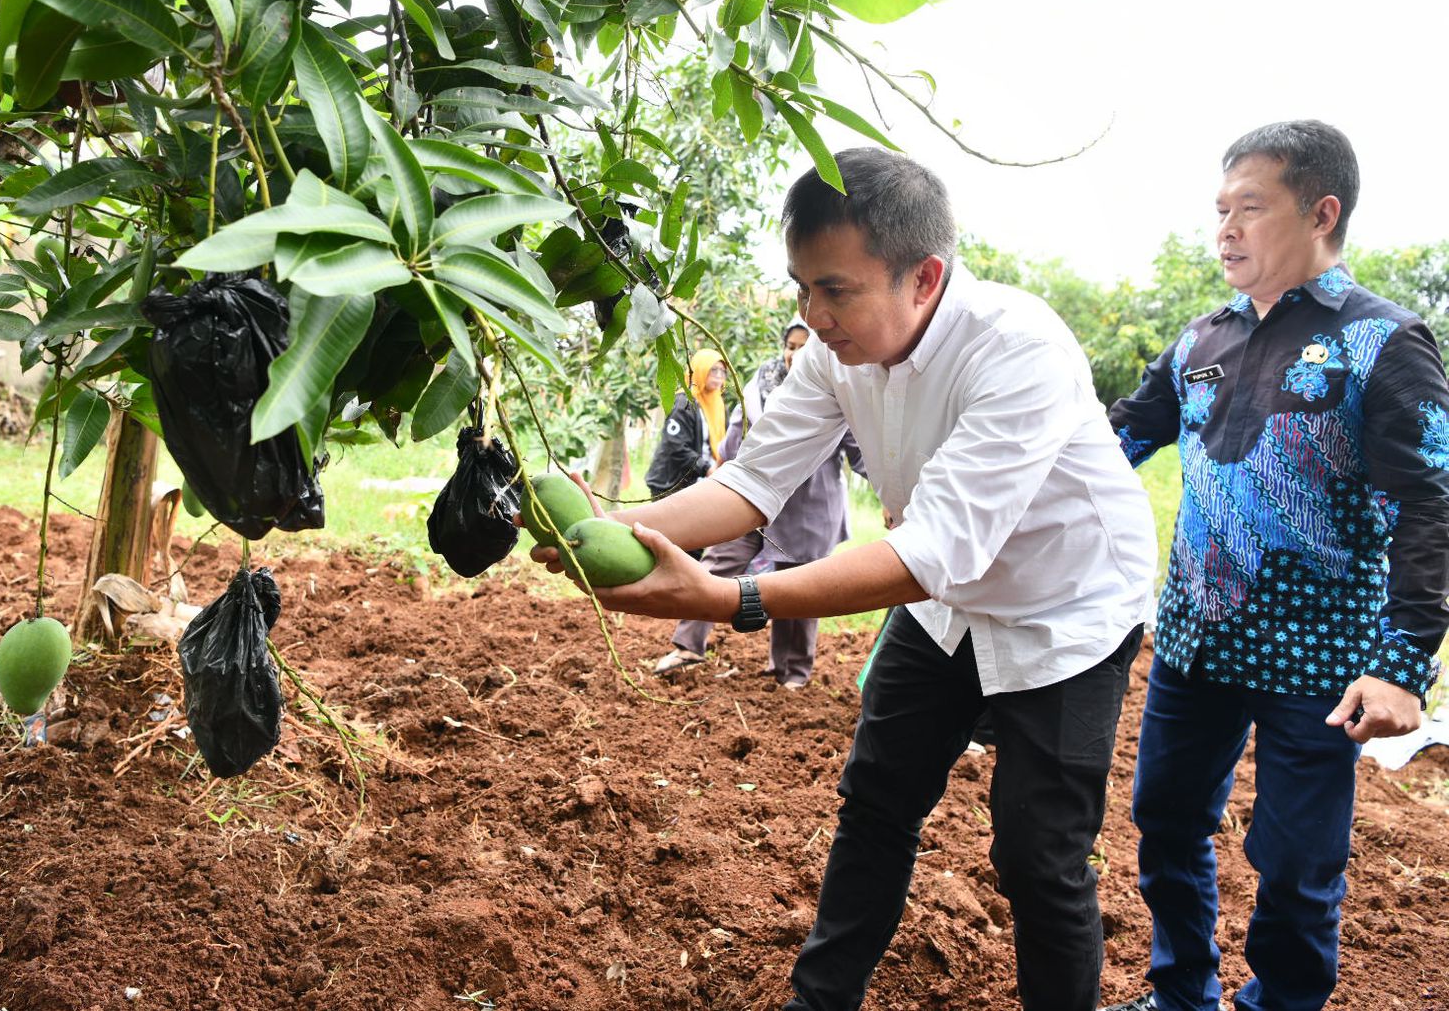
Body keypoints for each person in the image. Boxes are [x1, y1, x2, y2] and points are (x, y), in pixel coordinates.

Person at [527, 148, 1158, 1011]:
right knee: (876, 803)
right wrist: (602, 530)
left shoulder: (1018, 350)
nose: (811, 314)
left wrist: (731, 599)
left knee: (1038, 855)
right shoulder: (834, 352)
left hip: (1066, 611)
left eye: (834, 289)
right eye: (800, 288)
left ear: (924, 278)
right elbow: (750, 485)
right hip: (944, 608)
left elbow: (930, 551)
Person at [1102, 121, 1449, 1011]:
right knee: (1164, 823)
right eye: (1220, 210)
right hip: (1193, 644)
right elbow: (1109, 448)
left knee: (1297, 865)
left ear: (1321, 212)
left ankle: (1279, 1004)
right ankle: (1183, 994)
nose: (1225, 230)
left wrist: (1404, 664)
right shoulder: (1200, 343)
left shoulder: (1383, 342)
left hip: (1323, 662)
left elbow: (1432, 504)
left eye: (1249, 209)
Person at [653, 318, 865, 688]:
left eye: (805, 346)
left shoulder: (835, 387)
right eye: (792, 345)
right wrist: (718, 476)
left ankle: (790, 672)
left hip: (807, 508)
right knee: (719, 563)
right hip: (749, 499)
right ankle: (687, 647)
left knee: (800, 586)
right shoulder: (760, 384)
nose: (796, 353)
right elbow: (736, 436)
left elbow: (860, 449)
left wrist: (897, 494)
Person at [643, 347, 727, 503]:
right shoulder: (684, 402)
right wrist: (707, 468)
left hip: (698, 483)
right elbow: (675, 445)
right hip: (671, 484)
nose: (719, 375)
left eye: (723, 371)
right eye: (713, 369)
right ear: (700, 370)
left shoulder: (718, 404)